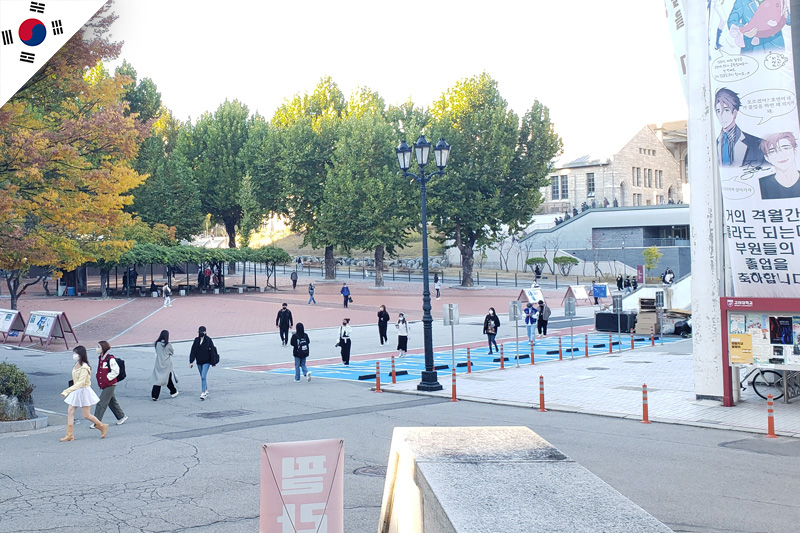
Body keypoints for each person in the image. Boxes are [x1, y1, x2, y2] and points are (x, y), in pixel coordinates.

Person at [59, 345, 108, 441]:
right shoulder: (76, 364)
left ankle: (102, 426)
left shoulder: (85, 367)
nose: (74, 355)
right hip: (76, 390)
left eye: (76, 353)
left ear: (81, 355)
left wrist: (67, 391)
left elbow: (81, 383)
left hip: (83, 391)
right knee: (70, 411)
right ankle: (69, 435)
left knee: (86, 415)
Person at [714, 88, 765, 168]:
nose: (721, 116)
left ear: (734, 113)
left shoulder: (757, 144)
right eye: (718, 111)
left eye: (726, 110)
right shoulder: (714, 144)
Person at [93, 340, 127, 426]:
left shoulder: (110, 358)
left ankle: (97, 422)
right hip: (105, 384)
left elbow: (116, 371)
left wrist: (108, 378)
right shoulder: (101, 358)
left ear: (103, 348)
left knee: (101, 403)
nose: (96, 349)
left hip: (110, 384)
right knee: (111, 402)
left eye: (98, 347)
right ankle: (121, 416)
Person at [758, 132, 800, 199]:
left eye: (786, 148)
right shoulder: (761, 184)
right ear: (767, 158)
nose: (781, 155)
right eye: (772, 151)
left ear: (795, 151)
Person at [189, 326, 217, 400]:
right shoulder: (196, 340)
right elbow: (193, 351)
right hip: (199, 361)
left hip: (206, 361)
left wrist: (213, 362)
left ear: (205, 332)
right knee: (202, 376)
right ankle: (206, 389)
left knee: (203, 376)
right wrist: (191, 361)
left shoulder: (208, 340)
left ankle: (203, 392)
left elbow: (212, 351)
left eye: (202, 332)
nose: (200, 333)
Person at [150, 330, 178, 401]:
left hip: (158, 363)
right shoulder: (168, 345)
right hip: (166, 364)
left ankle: (155, 395)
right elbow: (172, 352)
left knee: (158, 379)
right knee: (168, 379)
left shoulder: (157, 344)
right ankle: (173, 391)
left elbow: (157, 352)